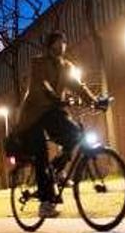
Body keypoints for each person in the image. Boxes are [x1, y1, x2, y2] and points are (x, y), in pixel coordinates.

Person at [16, 31, 104, 218]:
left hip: (53, 111)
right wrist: (54, 96)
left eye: (63, 42)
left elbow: (78, 86)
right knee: (41, 153)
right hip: (33, 116)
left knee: (75, 135)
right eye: (57, 43)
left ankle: (57, 171)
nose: (61, 46)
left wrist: (95, 101)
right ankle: (45, 203)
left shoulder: (66, 66)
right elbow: (42, 83)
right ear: (49, 46)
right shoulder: (38, 63)